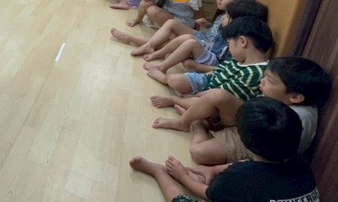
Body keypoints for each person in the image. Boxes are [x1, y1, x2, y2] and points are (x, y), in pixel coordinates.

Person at [129, 97, 320, 202]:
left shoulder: (239, 176)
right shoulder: (301, 163)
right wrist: (212, 170)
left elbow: (208, 195)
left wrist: (183, 177)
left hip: (228, 188)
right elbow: (252, 166)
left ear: (244, 140)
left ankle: (158, 172)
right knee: (209, 178)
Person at [181, 57, 331, 166]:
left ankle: (198, 125)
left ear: (295, 97)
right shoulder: (281, 98)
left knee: (199, 152)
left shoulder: (297, 120)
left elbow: (270, 158)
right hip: (251, 126)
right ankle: (186, 121)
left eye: (270, 81)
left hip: (256, 146)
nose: (262, 81)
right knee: (219, 96)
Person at [150, 16, 274, 131]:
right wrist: (197, 88)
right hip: (209, 91)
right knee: (176, 81)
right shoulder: (239, 60)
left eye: (229, 44)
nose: (229, 49)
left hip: (220, 111)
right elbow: (216, 72)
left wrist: (194, 96)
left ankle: (180, 113)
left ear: (242, 42)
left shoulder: (255, 73)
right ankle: (187, 104)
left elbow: (220, 95)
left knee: (210, 98)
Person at [110, 0, 257, 60]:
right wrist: (208, 25)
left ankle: (134, 40)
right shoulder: (224, 15)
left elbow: (219, 43)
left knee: (177, 40)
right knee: (171, 24)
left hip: (207, 46)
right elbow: (215, 32)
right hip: (204, 37)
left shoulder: (234, 22)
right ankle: (148, 45)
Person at [144, 0, 268, 77]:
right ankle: (158, 52)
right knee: (186, 37)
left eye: (227, 16)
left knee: (190, 42)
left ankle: (162, 67)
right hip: (210, 50)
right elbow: (212, 41)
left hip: (214, 62)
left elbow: (223, 69)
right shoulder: (228, 31)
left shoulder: (236, 44)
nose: (223, 18)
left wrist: (197, 66)